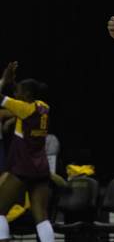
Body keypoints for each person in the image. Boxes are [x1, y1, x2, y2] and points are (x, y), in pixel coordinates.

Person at [0, 62, 54, 242]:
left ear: (28, 95)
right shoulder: (43, 107)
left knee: (0, 210)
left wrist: (3, 82)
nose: (16, 94)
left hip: (23, 168)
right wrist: (13, 83)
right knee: (42, 217)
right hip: (41, 170)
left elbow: (6, 101)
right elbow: (20, 105)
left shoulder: (23, 109)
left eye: (19, 92)